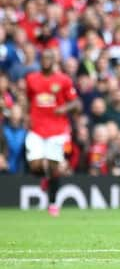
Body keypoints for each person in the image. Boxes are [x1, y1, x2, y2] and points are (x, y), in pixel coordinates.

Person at [25, 49, 81, 216]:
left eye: (49, 58)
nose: (46, 61)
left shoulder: (63, 80)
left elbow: (76, 103)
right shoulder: (31, 79)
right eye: (43, 58)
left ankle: (53, 202)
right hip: (36, 128)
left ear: (54, 60)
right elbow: (29, 100)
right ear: (40, 60)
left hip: (57, 129)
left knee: (53, 166)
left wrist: (65, 107)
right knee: (35, 166)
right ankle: (45, 178)